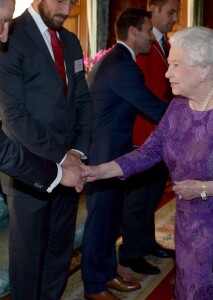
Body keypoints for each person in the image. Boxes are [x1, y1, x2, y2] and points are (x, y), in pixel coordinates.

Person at [83, 26, 213, 300]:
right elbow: (148, 153)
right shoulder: (178, 107)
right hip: (187, 228)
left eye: (175, 64)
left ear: (203, 70)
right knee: (185, 290)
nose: (166, 72)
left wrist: (204, 189)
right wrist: (98, 170)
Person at [0, 0, 92, 299]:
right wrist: (62, 159)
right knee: (28, 259)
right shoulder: (12, 34)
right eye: (61, 0)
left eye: (72, 1)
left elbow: (83, 102)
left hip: (70, 163)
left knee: (58, 250)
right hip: (27, 168)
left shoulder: (70, 40)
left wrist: (77, 152)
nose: (67, 9)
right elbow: (14, 116)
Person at [81, 8, 168, 300]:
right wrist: (193, 120)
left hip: (113, 152)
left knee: (110, 218)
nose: (150, 37)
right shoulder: (122, 65)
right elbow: (152, 106)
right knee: (101, 221)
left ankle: (106, 274)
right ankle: (93, 286)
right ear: (133, 31)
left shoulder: (119, 61)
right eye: (146, 30)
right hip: (105, 154)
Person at [119, 0, 180, 275]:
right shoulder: (141, 47)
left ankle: (145, 242)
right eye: (170, 12)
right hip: (143, 133)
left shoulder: (163, 43)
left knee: (152, 194)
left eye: (177, 12)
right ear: (152, 10)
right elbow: (141, 95)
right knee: (137, 199)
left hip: (160, 131)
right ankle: (131, 252)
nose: (175, 18)